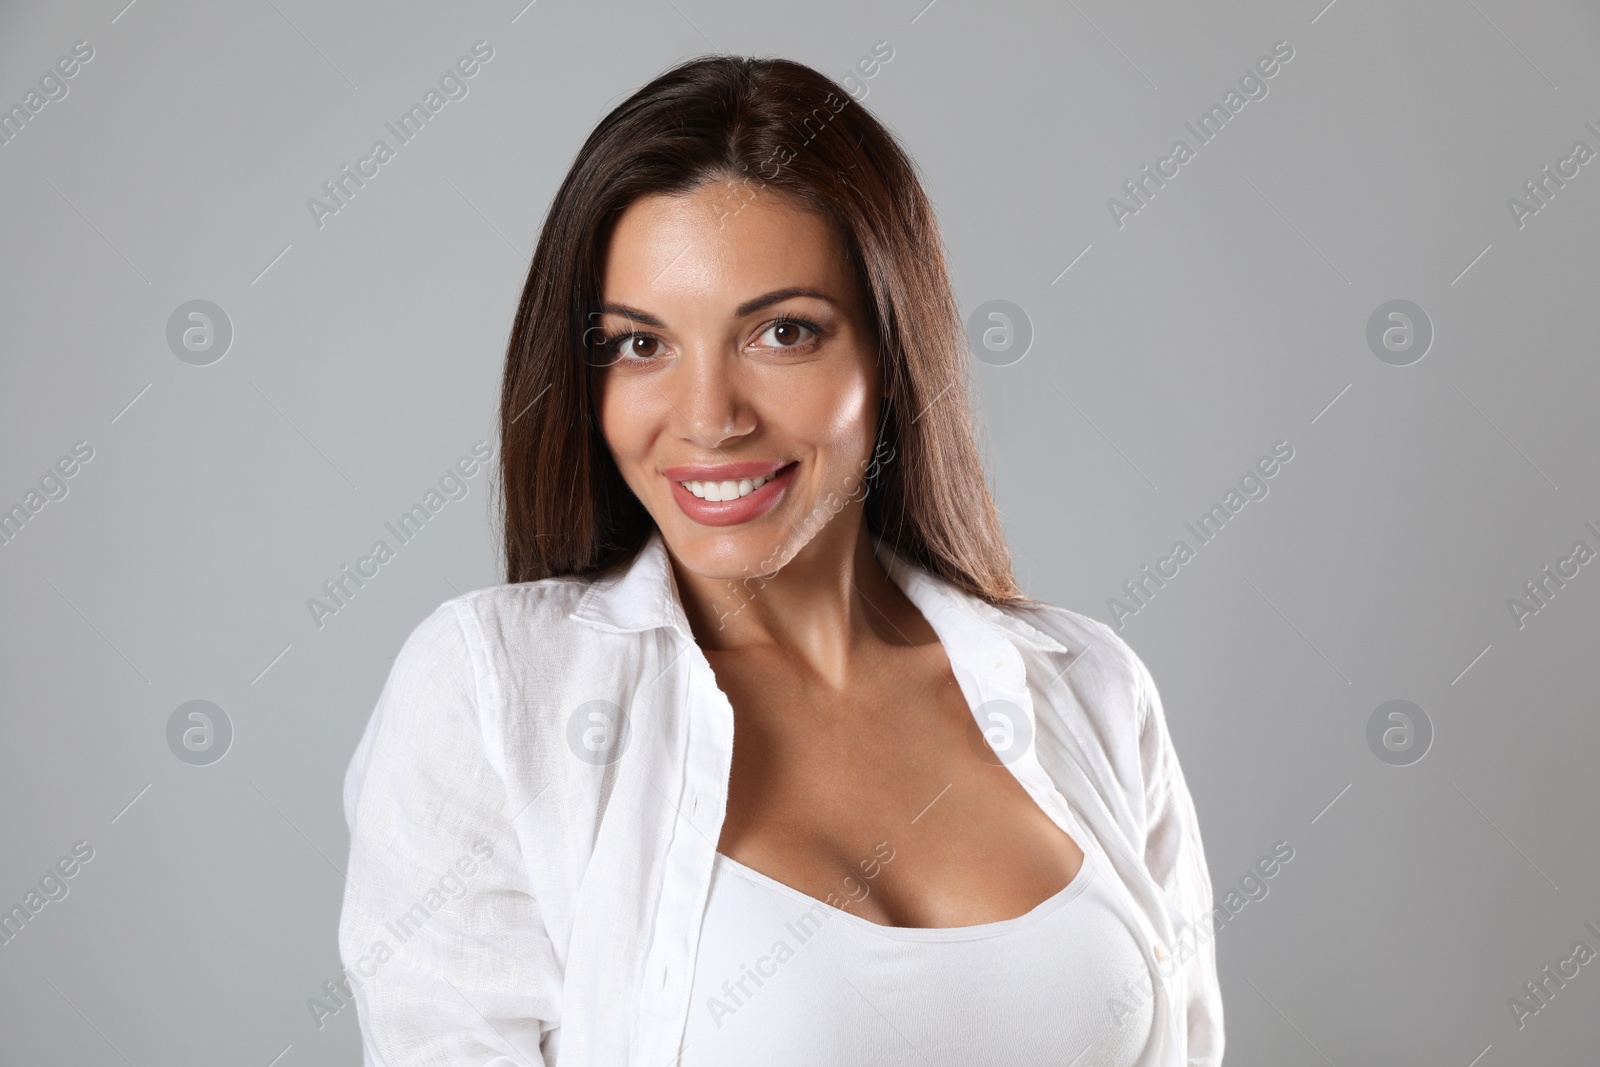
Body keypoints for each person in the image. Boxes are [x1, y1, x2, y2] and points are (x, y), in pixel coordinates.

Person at [338, 53, 1223, 1067]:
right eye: (639, 344)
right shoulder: (498, 692)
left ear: (888, 354)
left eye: (781, 331)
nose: (709, 418)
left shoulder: (1091, 687)